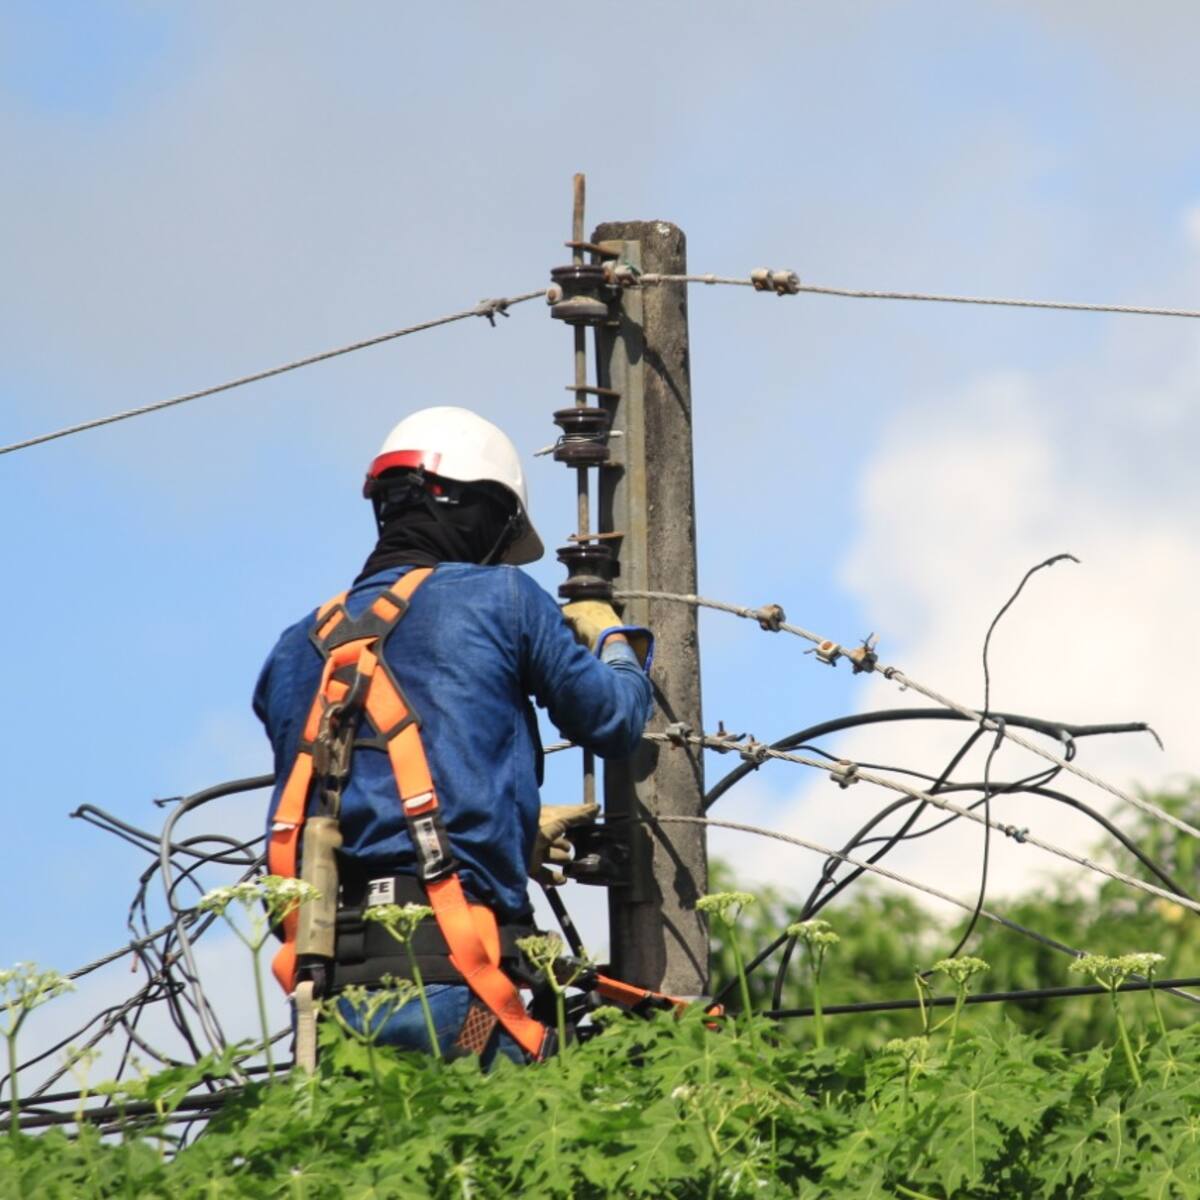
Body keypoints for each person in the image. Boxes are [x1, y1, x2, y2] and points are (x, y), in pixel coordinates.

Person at [253, 406, 653, 1065]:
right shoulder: (504, 597)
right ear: (484, 512)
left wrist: (512, 829)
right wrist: (610, 636)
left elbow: (360, 788)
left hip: (326, 998)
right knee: (549, 1150)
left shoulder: (295, 649)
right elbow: (611, 719)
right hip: (455, 980)